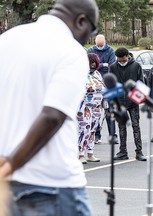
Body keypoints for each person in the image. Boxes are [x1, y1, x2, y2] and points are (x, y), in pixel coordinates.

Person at [0, 0, 99, 215]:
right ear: (81, 21)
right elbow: (53, 116)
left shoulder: (8, 39)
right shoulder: (70, 50)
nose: (87, 39)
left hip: (6, 184)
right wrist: (12, 164)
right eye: (91, 32)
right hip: (52, 184)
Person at [110, 47, 147, 161]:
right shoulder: (113, 67)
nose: (121, 61)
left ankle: (139, 152)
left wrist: (139, 99)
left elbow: (141, 82)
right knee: (121, 127)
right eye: (119, 59)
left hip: (133, 101)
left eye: (122, 59)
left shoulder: (136, 66)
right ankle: (122, 151)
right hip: (119, 102)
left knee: (136, 126)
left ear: (127, 56)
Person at [87, 34, 118, 144]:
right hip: (94, 87)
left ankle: (113, 135)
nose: (99, 47)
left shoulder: (110, 51)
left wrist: (101, 65)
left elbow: (111, 65)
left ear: (105, 42)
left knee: (109, 112)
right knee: (95, 113)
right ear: (95, 42)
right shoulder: (90, 50)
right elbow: (89, 65)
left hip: (107, 86)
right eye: (98, 45)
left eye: (101, 45)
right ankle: (96, 135)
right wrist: (103, 65)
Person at [78, 53, 104, 164]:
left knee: (93, 130)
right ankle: (80, 154)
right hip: (85, 106)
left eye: (94, 63)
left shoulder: (97, 74)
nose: (92, 65)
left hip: (97, 106)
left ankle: (90, 153)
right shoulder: (81, 75)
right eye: (90, 63)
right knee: (84, 130)